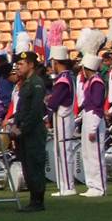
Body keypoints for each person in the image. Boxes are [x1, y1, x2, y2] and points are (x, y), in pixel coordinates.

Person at [6, 52, 48, 211]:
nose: (18, 67)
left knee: (34, 165)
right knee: (27, 166)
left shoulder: (36, 83)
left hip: (33, 131)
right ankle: (33, 199)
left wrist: (22, 129)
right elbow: (21, 109)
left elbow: (35, 111)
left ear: (31, 65)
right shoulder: (25, 83)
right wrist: (15, 125)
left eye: (21, 64)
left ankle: (38, 201)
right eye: (17, 64)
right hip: (23, 131)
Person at [45, 46, 79, 196]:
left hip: (63, 118)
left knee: (64, 152)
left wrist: (48, 100)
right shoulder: (67, 77)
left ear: (56, 62)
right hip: (63, 117)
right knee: (62, 152)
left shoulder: (63, 79)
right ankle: (65, 186)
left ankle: (68, 186)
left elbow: (54, 102)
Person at [77, 52, 107, 197]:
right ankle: (92, 185)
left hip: (94, 118)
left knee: (95, 154)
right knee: (87, 154)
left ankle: (99, 187)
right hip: (88, 117)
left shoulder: (97, 82)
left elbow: (97, 106)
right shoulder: (90, 82)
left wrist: (93, 127)